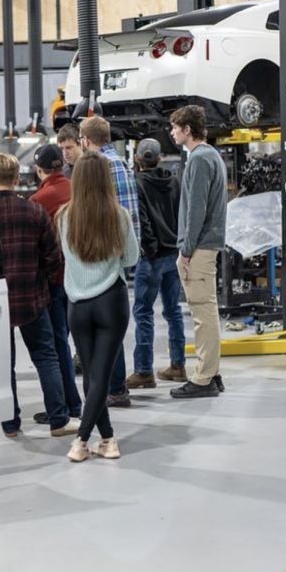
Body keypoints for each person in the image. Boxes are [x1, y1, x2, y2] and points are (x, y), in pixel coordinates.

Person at [0, 152, 79, 440]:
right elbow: (53, 257)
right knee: (45, 356)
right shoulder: (34, 210)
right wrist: (45, 286)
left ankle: (11, 425)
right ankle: (58, 420)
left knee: (3, 363)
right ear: (16, 179)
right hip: (32, 297)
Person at [57, 151, 139, 462]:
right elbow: (131, 259)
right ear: (106, 180)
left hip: (77, 304)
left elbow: (69, 259)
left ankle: (108, 439)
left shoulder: (64, 216)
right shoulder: (118, 215)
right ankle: (82, 441)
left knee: (92, 375)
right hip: (111, 302)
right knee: (100, 375)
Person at [79, 116, 140, 408]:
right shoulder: (118, 162)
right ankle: (114, 388)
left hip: (107, 259)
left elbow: (122, 215)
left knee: (106, 336)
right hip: (115, 255)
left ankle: (114, 389)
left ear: (86, 140)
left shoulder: (105, 166)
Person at [169, 105, 227, 398]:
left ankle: (203, 378)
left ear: (188, 130)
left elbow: (196, 211)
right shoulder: (210, 156)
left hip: (200, 248)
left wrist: (186, 249)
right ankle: (212, 373)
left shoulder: (200, 160)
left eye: (175, 128)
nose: (172, 132)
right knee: (207, 311)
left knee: (203, 314)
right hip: (206, 246)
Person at [125, 139, 187, 389]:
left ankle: (143, 371)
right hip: (174, 254)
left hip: (152, 258)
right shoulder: (173, 180)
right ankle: (178, 365)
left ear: (138, 160)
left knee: (143, 313)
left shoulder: (137, 183)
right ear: (160, 159)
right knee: (173, 311)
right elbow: (181, 214)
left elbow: (142, 220)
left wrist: (149, 250)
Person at [28, 144, 83, 424]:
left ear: (40, 170)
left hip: (55, 281)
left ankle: (69, 404)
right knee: (87, 343)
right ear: (62, 164)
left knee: (58, 344)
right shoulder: (79, 190)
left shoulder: (39, 200)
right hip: (85, 277)